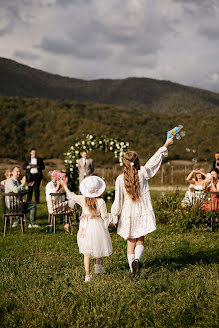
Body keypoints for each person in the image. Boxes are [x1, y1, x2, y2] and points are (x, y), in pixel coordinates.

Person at [111, 137, 174, 280]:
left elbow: (118, 200)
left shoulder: (120, 179)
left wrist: (114, 216)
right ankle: (137, 261)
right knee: (140, 239)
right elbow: (154, 161)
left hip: (128, 213)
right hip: (142, 211)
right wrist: (165, 144)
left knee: (130, 242)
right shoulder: (143, 173)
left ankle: (132, 271)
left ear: (124, 162)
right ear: (137, 161)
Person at [61, 176, 113, 282]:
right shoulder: (101, 201)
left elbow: (71, 196)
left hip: (86, 225)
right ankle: (98, 267)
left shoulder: (82, 198)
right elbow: (104, 216)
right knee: (99, 244)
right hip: (97, 225)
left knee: (87, 251)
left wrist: (64, 186)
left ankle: (87, 275)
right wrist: (110, 222)